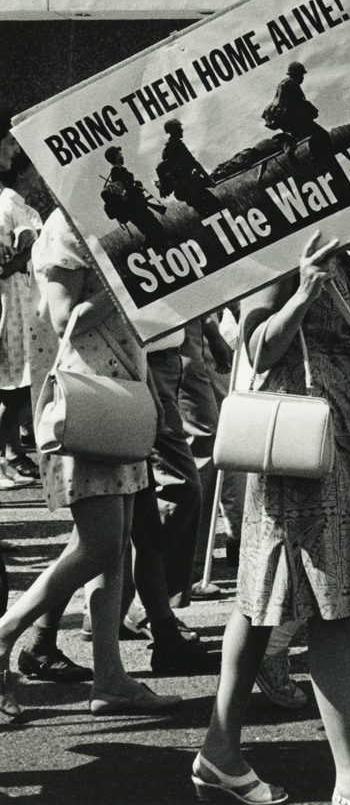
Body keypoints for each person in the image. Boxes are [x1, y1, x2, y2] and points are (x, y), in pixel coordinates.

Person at [195, 231, 350, 805]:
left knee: (262, 602)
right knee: (332, 611)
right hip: (294, 446)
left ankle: (220, 753)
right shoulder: (275, 242)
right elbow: (256, 347)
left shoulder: (343, 245)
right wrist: (303, 291)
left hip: (321, 445)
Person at [0, 206, 183, 726]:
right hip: (88, 404)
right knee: (99, 544)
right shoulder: (63, 230)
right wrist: (136, 280)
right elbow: (64, 320)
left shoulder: (100, 223)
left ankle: (110, 678)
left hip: (117, 397)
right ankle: (7, 631)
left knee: (115, 543)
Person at [0, 178, 39, 490]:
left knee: (16, 389)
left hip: (18, 307)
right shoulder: (7, 209)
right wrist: (28, 255)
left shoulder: (18, 208)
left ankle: (10, 455)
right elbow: (6, 266)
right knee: (11, 392)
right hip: (7, 308)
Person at [100, 145, 168, 245]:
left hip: (138, 207)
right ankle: (147, 252)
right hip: (134, 209)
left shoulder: (120, 170)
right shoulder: (116, 172)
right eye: (120, 154)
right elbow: (126, 189)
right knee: (153, 232)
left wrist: (136, 185)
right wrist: (136, 187)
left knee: (155, 231)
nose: (122, 156)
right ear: (116, 157)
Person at [262, 61, 320, 144]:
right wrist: (313, 111)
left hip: (288, 125)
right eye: (301, 75)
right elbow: (301, 103)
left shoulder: (283, 84)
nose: (303, 78)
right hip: (295, 122)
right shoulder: (292, 84)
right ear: (297, 74)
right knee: (323, 136)